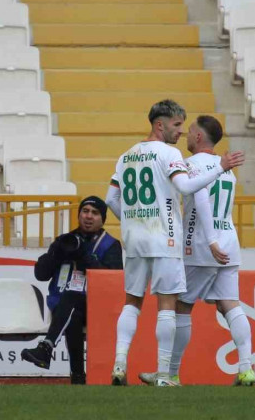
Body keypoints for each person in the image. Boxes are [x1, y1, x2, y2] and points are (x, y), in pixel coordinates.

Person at [105, 100, 245, 386]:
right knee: (168, 305)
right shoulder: (168, 153)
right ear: (160, 125)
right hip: (164, 237)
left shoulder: (126, 156)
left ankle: (119, 365)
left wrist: (131, 222)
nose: (180, 132)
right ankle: (165, 374)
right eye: (177, 125)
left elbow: (111, 200)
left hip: (134, 239)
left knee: (132, 302)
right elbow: (185, 187)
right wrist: (219, 168)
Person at [138, 115, 255, 386]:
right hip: (229, 241)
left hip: (201, 244)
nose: (186, 136)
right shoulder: (225, 168)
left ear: (199, 137)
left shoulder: (190, 164)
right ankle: (246, 369)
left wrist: (210, 241)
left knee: (180, 306)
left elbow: (201, 199)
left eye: (190, 131)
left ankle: (170, 373)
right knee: (230, 304)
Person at [20, 196, 123, 385]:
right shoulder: (65, 240)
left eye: (95, 213)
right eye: (85, 211)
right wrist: (56, 253)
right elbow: (40, 274)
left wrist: (86, 258)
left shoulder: (110, 245)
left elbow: (114, 283)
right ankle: (77, 377)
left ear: (102, 219)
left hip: (97, 307)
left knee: (73, 296)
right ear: (79, 215)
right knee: (72, 309)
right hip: (64, 306)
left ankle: (47, 348)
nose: (88, 216)